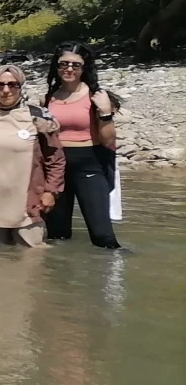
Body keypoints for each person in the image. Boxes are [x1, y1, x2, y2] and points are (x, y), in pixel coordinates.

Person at [43, 42, 123, 248]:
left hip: (90, 166)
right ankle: (60, 277)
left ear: (84, 68)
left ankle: (112, 277)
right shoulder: (48, 98)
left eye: (75, 65)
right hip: (56, 167)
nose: (69, 69)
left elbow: (109, 140)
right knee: (57, 236)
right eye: (63, 64)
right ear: (56, 66)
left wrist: (105, 112)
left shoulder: (97, 97)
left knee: (102, 236)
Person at [0, 62, 63, 247]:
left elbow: (55, 158)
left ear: (21, 87)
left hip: (27, 202)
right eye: (0, 85)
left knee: (32, 257)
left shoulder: (38, 116)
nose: (6, 90)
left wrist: (51, 192)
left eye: (12, 85)